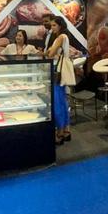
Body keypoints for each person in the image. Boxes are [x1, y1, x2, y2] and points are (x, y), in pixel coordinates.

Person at [44, 16, 73, 144]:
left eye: (54, 25)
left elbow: (50, 54)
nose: (52, 28)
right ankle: (66, 130)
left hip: (57, 70)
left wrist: (49, 51)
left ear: (60, 25)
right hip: (61, 71)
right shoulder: (65, 37)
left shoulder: (60, 37)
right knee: (62, 100)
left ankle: (59, 132)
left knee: (57, 102)